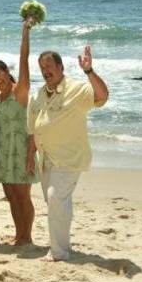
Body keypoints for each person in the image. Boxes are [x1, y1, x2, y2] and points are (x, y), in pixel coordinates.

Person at [27, 45, 109, 261]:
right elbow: (33, 129)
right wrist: (29, 157)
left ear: (61, 67)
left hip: (68, 158)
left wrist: (89, 71)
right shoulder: (37, 94)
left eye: (49, 66)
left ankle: (58, 252)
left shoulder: (77, 89)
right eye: (42, 67)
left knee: (56, 200)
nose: (46, 71)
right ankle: (63, 247)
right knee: (58, 204)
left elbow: (102, 96)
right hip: (46, 160)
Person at [0, 17, 39, 246]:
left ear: (8, 72)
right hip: (4, 152)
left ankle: (26, 237)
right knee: (10, 196)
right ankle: (19, 234)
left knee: (23, 196)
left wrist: (25, 32)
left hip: (21, 152)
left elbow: (24, 59)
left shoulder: (20, 91)